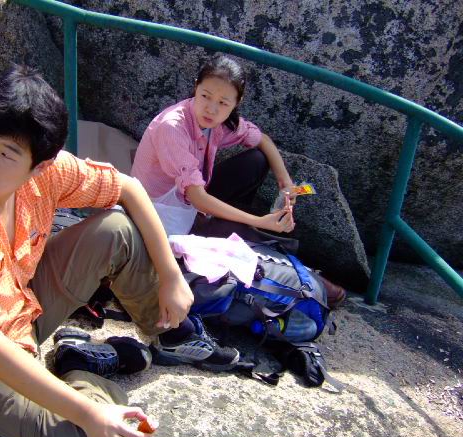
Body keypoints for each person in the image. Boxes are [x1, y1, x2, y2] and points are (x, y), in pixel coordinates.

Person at [0, 64, 242, 437]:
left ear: (40, 166)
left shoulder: (48, 172)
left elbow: (129, 189)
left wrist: (171, 277)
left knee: (117, 230)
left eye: (7, 154)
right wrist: (89, 413)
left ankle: (169, 335)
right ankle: (80, 371)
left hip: (21, 306)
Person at [131, 54, 345, 307]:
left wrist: (285, 182)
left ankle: (251, 240)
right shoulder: (173, 127)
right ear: (195, 87)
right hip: (158, 218)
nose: (211, 109)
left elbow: (262, 140)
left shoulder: (218, 124)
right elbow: (198, 197)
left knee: (256, 161)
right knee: (243, 233)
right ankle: (306, 280)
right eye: (205, 96)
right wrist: (257, 220)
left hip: (190, 203)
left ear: (236, 103)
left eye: (223, 102)